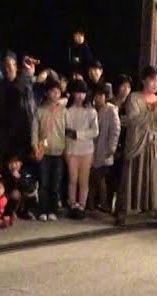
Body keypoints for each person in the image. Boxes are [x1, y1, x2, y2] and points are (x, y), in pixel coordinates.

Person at [117, 67, 157, 228]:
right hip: (139, 142)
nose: (155, 84)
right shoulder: (134, 98)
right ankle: (123, 210)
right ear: (144, 80)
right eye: (152, 80)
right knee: (132, 175)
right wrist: (153, 112)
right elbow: (133, 120)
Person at [0, 53, 37, 161]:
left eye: (8, 66)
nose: (6, 69)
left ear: (15, 66)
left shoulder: (25, 84)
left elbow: (30, 112)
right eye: (3, 66)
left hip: (24, 136)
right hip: (5, 138)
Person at [31, 79, 66, 222]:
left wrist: (66, 150)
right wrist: (35, 147)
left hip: (58, 151)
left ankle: (53, 210)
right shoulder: (40, 111)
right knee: (43, 182)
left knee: (55, 183)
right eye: (52, 91)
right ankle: (43, 210)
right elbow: (34, 131)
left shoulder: (64, 111)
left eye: (57, 91)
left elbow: (67, 131)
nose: (55, 94)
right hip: (43, 151)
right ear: (47, 93)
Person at [63, 79, 98, 219]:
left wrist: (78, 134)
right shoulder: (67, 110)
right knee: (73, 179)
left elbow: (95, 131)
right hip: (71, 149)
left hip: (87, 149)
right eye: (77, 92)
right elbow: (64, 131)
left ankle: (82, 205)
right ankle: (72, 204)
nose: (80, 96)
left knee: (84, 180)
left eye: (82, 93)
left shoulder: (91, 111)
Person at [90, 83, 121, 214]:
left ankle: (104, 204)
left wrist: (112, 147)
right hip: (92, 150)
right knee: (94, 178)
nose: (98, 98)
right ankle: (93, 204)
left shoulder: (111, 110)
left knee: (101, 178)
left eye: (100, 95)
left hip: (104, 150)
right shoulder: (92, 110)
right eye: (96, 96)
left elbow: (115, 130)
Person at [2, 154, 38, 220]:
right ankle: (10, 212)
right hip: (9, 196)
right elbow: (5, 187)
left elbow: (30, 187)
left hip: (23, 196)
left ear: (21, 163)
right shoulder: (5, 173)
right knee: (14, 194)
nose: (13, 165)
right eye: (11, 163)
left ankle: (27, 212)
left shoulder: (25, 172)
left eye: (16, 163)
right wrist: (12, 177)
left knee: (30, 194)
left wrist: (19, 178)